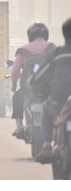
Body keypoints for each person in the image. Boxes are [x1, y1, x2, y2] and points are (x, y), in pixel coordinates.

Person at [31, 17, 71, 163]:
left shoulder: (57, 53)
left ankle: (46, 145)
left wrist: (38, 90)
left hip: (58, 99)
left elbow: (39, 77)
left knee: (46, 111)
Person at [10, 22, 54, 139]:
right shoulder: (52, 48)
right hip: (49, 87)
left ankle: (19, 127)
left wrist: (14, 87)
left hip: (28, 88)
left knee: (17, 98)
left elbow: (15, 72)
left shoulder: (23, 50)